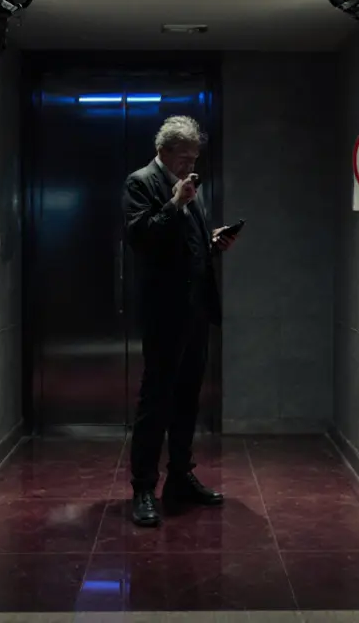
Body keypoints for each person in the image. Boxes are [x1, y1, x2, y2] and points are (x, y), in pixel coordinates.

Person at [121, 115, 239, 527]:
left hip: (196, 310)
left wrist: (213, 240)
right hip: (164, 313)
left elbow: (183, 243)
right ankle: (142, 488)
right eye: (184, 156)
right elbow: (143, 237)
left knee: (188, 397)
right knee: (157, 401)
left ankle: (180, 477)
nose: (190, 163)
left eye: (195, 156)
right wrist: (176, 203)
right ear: (163, 151)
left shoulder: (190, 187)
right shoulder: (141, 183)